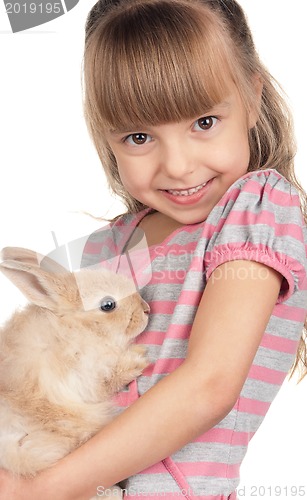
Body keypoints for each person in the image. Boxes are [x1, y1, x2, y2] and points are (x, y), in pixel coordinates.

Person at [1, 0, 307, 499]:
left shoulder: (256, 209)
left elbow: (209, 386)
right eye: (140, 136)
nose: (179, 166)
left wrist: (39, 490)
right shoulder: (106, 248)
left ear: (252, 96)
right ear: (106, 135)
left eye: (204, 122)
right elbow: (40, 372)